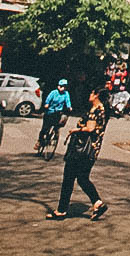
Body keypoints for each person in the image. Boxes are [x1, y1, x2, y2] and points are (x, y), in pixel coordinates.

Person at [47, 89, 109, 220]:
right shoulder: (103, 110)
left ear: (96, 95)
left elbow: (90, 128)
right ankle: (98, 203)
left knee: (68, 178)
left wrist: (75, 130)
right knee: (82, 178)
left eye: (92, 93)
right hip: (91, 151)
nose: (89, 95)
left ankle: (61, 210)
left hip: (81, 150)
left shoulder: (95, 110)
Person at [35, 78, 72, 152]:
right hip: (49, 112)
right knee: (44, 128)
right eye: (61, 86)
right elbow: (48, 99)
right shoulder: (53, 92)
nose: (62, 88)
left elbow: (68, 101)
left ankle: (54, 135)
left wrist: (69, 107)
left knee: (57, 125)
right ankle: (40, 141)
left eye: (64, 87)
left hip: (58, 113)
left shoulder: (66, 94)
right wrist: (47, 104)